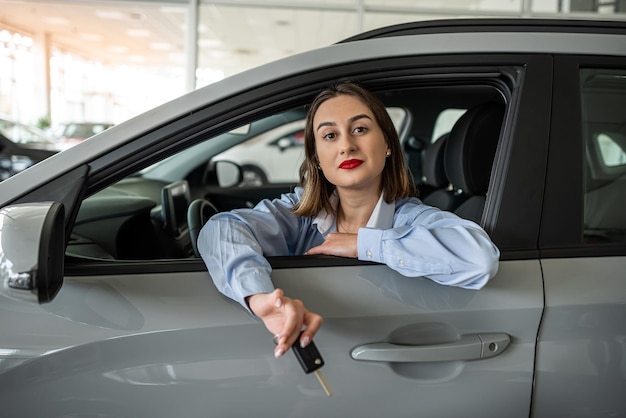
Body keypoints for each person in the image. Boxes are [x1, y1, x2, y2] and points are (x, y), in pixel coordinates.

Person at [198, 81, 500, 360]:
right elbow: (221, 228)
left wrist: (364, 244)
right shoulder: (299, 216)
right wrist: (261, 298)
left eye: (360, 129)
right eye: (330, 135)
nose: (346, 146)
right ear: (316, 158)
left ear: (388, 145)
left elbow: (479, 259)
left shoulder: (413, 218)